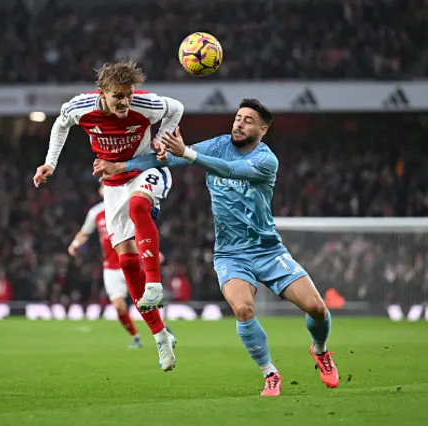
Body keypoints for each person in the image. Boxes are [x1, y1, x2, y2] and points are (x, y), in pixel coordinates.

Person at [93, 98, 339, 396]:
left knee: (316, 308)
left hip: (268, 250)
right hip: (230, 254)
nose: (239, 123)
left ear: (262, 129)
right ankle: (270, 373)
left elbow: (229, 170)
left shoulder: (266, 160)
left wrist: (190, 154)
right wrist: (123, 164)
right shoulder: (219, 144)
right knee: (243, 309)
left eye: (248, 120)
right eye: (237, 117)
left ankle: (320, 350)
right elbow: (168, 159)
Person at [33, 59, 183, 372]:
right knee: (127, 262)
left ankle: (154, 283)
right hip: (113, 183)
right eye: (118, 96)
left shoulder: (146, 104)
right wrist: (50, 164)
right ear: (103, 92)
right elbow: (60, 124)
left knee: (139, 206)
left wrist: (162, 138)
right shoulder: (81, 107)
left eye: (129, 94)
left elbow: (177, 107)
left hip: (146, 170)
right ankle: (160, 336)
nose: (125, 101)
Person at [68, 185, 142, 349]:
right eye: (103, 187)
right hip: (111, 267)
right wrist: (75, 244)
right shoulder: (95, 213)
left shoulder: (126, 206)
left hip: (132, 261)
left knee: (147, 301)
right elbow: (84, 232)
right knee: (118, 305)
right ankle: (135, 336)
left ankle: (162, 330)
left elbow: (141, 230)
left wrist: (152, 251)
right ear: (100, 192)